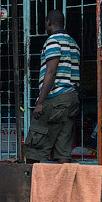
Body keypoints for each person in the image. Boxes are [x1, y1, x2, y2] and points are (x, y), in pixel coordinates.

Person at [24, 9, 80, 163]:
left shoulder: (53, 41)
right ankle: (63, 186)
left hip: (55, 97)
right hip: (71, 98)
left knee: (35, 147)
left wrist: (40, 102)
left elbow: (51, 71)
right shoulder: (73, 43)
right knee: (63, 150)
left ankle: (30, 185)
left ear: (48, 22)